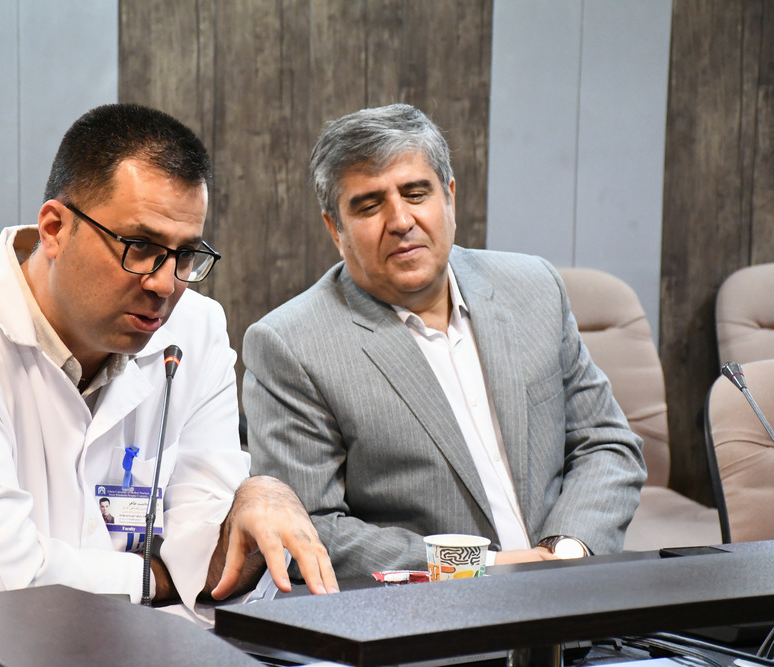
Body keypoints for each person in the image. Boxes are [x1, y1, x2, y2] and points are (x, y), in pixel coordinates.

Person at [0, 103, 337, 638]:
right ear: (54, 229)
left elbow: (210, 555)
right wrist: (157, 578)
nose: (165, 284)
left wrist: (257, 493)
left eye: (185, 255)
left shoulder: (195, 329)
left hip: (124, 644)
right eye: (140, 247)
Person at [242, 103, 646, 580]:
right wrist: (487, 567)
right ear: (336, 228)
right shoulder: (290, 346)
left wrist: (564, 552)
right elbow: (309, 528)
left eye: (416, 194)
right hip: (429, 619)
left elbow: (606, 445)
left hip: (572, 595)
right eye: (369, 205)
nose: (400, 220)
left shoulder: (534, 287)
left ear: (449, 197)